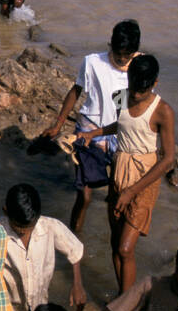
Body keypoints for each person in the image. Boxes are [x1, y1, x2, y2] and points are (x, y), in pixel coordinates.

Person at [80, 54, 175, 292]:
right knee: (115, 242)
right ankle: (123, 299)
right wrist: (94, 133)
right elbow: (122, 124)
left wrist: (132, 190)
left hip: (145, 177)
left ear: (154, 83)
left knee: (125, 248)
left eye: (142, 88)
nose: (136, 93)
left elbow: (169, 159)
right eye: (133, 85)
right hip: (120, 169)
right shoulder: (122, 96)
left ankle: (125, 305)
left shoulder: (163, 111)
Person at [43, 20, 141, 235]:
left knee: (116, 195)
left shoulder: (139, 67)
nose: (122, 60)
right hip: (89, 131)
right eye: (118, 55)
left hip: (119, 135)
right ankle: (74, 239)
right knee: (84, 196)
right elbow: (76, 91)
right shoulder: (93, 63)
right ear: (111, 46)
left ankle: (114, 240)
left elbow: (140, 102)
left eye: (127, 56)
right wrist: (58, 123)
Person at [0, 183, 86, 311]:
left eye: (29, 227)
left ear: (38, 216)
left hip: (39, 304)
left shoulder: (49, 226)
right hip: (7, 310)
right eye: (18, 227)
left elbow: (74, 249)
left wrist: (77, 284)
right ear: (6, 211)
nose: (24, 232)